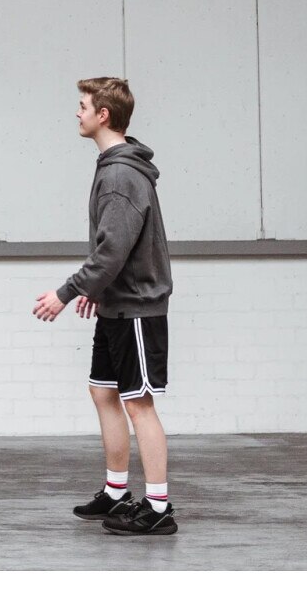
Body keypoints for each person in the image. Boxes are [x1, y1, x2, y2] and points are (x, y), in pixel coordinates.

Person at [33, 76, 177, 536]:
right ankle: (117, 493)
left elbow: (112, 251)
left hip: (137, 308)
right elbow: (116, 248)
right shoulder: (113, 167)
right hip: (117, 303)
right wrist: (99, 288)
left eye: (82, 106)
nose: (77, 113)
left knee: (139, 404)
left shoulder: (119, 176)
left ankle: (158, 508)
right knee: (103, 392)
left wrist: (66, 293)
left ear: (103, 115)